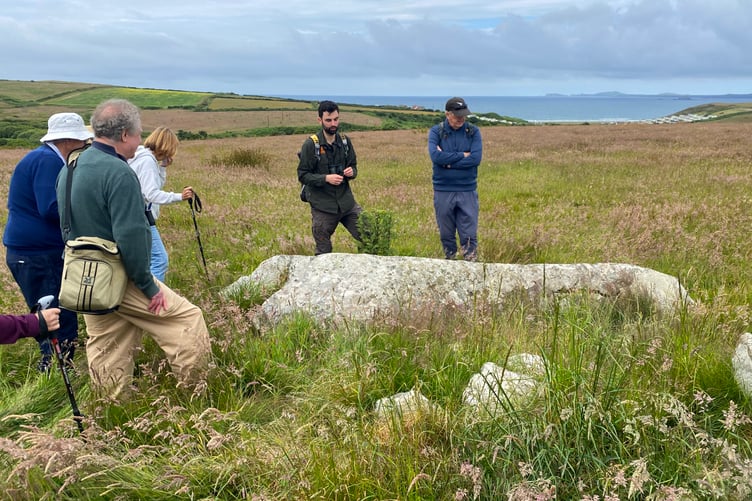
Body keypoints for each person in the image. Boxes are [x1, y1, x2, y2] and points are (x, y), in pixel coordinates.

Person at [55, 99, 211, 400]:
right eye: (138, 135)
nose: (140, 142)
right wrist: (148, 286)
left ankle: (110, 412)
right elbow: (132, 235)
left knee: (107, 345)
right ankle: (199, 397)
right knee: (187, 320)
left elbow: (65, 223)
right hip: (119, 274)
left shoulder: (71, 167)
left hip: (84, 276)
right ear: (125, 134)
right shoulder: (119, 172)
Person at [3, 112, 93, 372]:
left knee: (52, 312)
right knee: (55, 317)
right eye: (82, 143)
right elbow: (52, 207)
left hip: (32, 252)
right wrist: (89, 215)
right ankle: (56, 372)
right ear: (69, 141)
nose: (84, 148)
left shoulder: (42, 157)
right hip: (38, 253)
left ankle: (56, 368)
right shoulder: (49, 161)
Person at [127, 126, 194, 282]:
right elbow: (151, 194)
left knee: (143, 261)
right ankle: (153, 300)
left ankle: (143, 297)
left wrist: (162, 168)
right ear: (167, 146)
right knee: (159, 260)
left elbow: (153, 186)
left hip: (133, 216)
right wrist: (180, 197)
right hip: (141, 217)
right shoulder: (147, 162)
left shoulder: (140, 155)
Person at [297, 100, 362, 255]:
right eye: (328, 120)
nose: (333, 124)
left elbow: (353, 167)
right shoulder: (311, 145)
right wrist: (326, 178)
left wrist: (351, 173)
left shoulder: (345, 141)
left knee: (370, 234)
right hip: (322, 207)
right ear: (320, 120)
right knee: (323, 251)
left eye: (336, 119)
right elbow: (303, 175)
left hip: (347, 204)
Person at [428, 97, 483, 261]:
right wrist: (462, 156)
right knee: (446, 233)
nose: (461, 119)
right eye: (457, 115)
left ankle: (471, 264)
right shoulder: (436, 132)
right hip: (443, 190)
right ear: (447, 114)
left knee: (469, 234)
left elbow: (475, 159)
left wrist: (448, 162)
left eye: (463, 115)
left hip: (467, 189)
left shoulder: (473, 132)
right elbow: (436, 157)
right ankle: (450, 261)